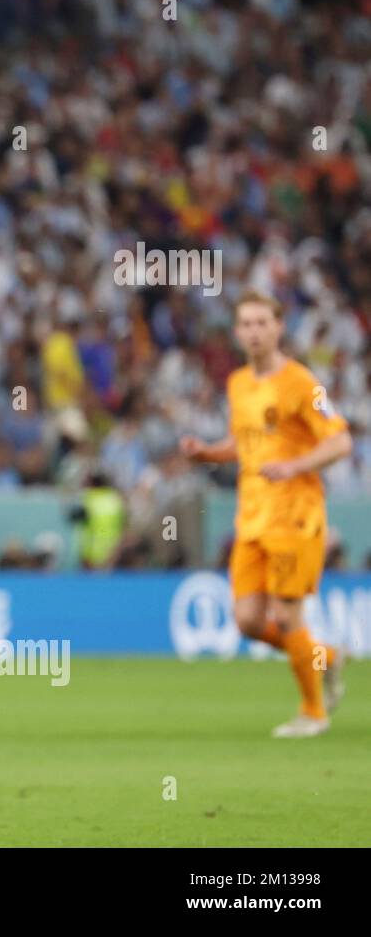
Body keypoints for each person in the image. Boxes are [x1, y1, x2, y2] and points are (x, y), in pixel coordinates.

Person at [180, 290, 352, 737]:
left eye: (262, 323)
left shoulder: (302, 383)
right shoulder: (238, 383)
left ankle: (313, 712)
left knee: (288, 615)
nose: (255, 332)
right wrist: (208, 454)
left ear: (278, 327)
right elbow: (244, 442)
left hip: (296, 514)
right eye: (246, 325)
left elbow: (340, 441)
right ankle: (326, 658)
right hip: (251, 517)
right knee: (249, 621)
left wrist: (295, 466)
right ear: (237, 332)